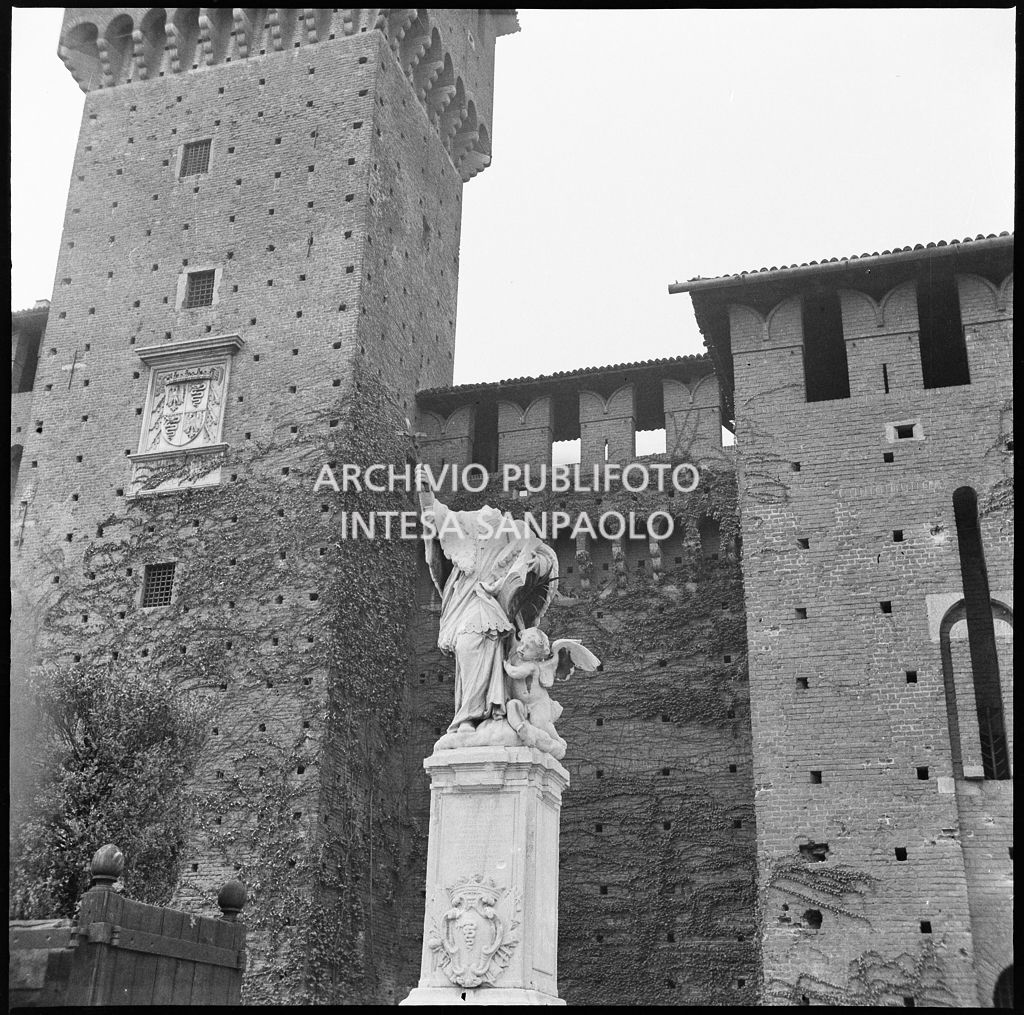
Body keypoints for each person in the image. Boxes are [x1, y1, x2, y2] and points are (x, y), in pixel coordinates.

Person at [419, 483, 557, 734]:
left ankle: (475, 715)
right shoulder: (465, 523)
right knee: (466, 646)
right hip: (467, 598)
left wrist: (538, 564)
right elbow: (437, 517)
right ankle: (470, 713)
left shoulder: (515, 530)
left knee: (477, 642)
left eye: (490, 516)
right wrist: (425, 492)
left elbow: (542, 554)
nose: (486, 513)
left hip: (495, 603)